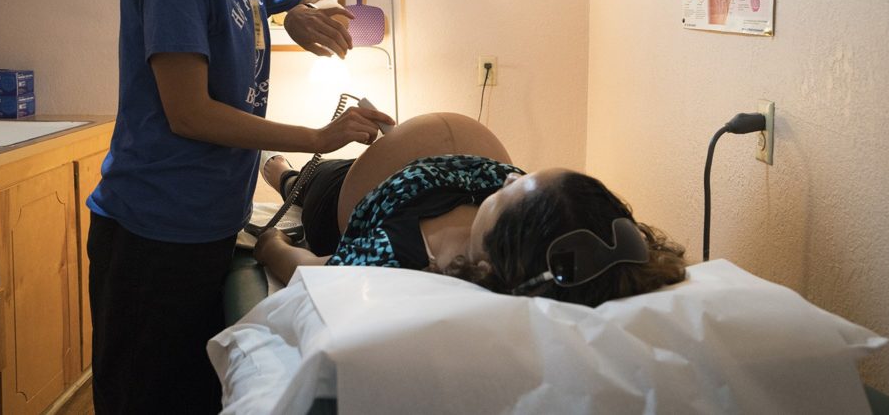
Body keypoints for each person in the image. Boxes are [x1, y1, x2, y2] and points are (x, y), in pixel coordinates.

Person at [86, 0, 393, 415]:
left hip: (209, 225)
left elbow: (321, 4)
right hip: (154, 230)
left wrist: (303, 14)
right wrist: (317, 139)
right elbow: (189, 113)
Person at [253, 113, 686, 308]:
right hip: (401, 149)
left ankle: (282, 174)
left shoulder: (399, 255)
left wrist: (268, 240)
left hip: (343, 190)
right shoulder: (554, 217)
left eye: (511, 192)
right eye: (524, 175)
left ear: (493, 252)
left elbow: (306, 269)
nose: (510, 178)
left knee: (303, 182)